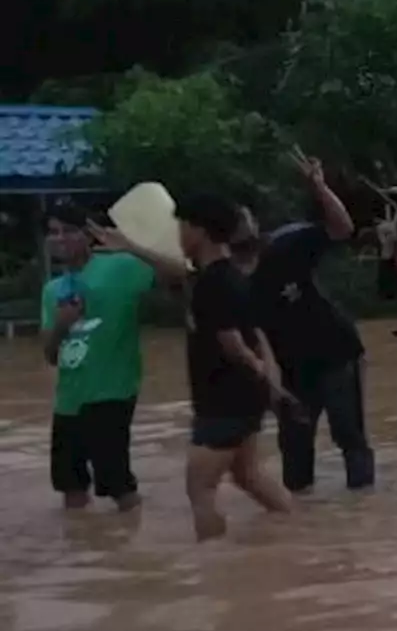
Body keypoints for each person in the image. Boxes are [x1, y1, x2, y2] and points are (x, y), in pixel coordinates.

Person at [230, 151, 375, 495]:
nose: (241, 225)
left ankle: (364, 512)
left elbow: (342, 230)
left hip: (335, 354)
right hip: (289, 372)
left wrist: (320, 189)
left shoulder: (285, 245)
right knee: (294, 456)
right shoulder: (224, 281)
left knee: (349, 435)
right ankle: (300, 530)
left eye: (244, 218)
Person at [178, 193, 293, 541]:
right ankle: (296, 531)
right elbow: (254, 336)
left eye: (182, 226)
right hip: (240, 396)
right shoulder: (233, 276)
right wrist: (269, 384)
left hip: (223, 399)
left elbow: (235, 345)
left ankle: (212, 562)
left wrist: (263, 376)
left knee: (200, 488)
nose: (178, 234)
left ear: (200, 231)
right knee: (248, 475)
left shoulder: (213, 283)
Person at [39, 204, 158, 511]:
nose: (60, 238)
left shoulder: (122, 267)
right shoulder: (52, 290)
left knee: (119, 486)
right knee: (70, 488)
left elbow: (176, 274)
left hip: (112, 392)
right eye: (52, 233)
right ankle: (79, 549)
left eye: (69, 230)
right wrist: (62, 325)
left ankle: (130, 548)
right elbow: (51, 355)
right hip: (68, 401)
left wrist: (132, 246)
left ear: (88, 235)